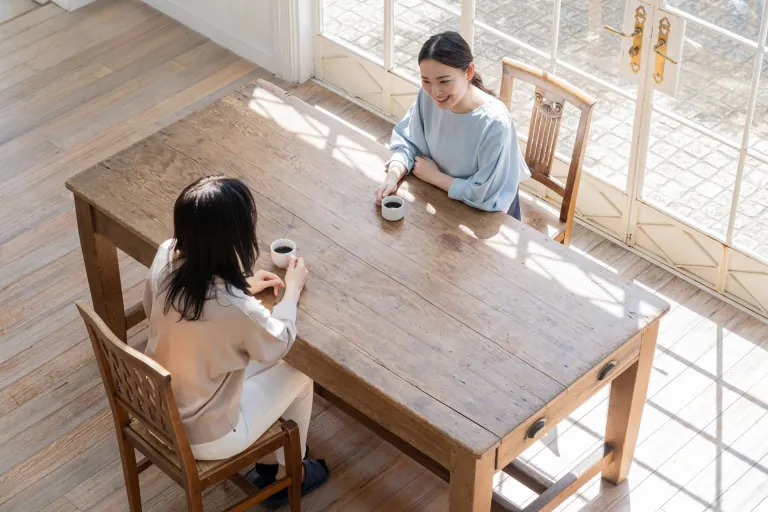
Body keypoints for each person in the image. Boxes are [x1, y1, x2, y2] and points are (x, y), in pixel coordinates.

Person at [142, 175, 329, 506]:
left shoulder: (164, 256)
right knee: (300, 371)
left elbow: (152, 308)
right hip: (206, 435)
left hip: (160, 407)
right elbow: (281, 340)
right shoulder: (232, 307)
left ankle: (269, 467)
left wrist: (240, 285)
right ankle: (290, 474)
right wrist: (294, 288)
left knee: (255, 358)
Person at [375, 31, 531, 219]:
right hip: (441, 200)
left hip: (487, 216)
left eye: (444, 81)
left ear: (469, 72)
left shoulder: (495, 124)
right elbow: (408, 141)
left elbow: (486, 194)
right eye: (426, 81)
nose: (435, 91)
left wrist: (436, 177)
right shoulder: (427, 97)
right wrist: (394, 173)